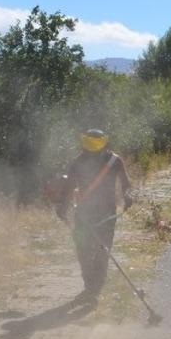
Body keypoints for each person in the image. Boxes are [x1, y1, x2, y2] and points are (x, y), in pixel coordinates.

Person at [55, 129, 135, 306]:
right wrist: (62, 206)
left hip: (106, 215)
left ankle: (94, 290)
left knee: (101, 251)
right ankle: (90, 287)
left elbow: (126, 185)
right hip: (84, 215)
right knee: (84, 250)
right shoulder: (78, 162)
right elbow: (68, 188)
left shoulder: (114, 162)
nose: (90, 153)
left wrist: (128, 196)